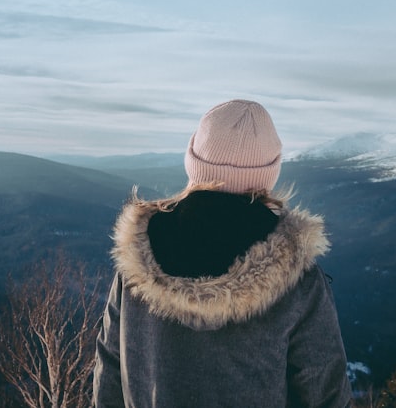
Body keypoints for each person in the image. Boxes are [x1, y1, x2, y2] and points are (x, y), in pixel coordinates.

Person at [93, 99, 352, 407]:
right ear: (269, 172)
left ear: (194, 159)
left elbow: (110, 368)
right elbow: (326, 393)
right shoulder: (296, 274)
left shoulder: (139, 252)